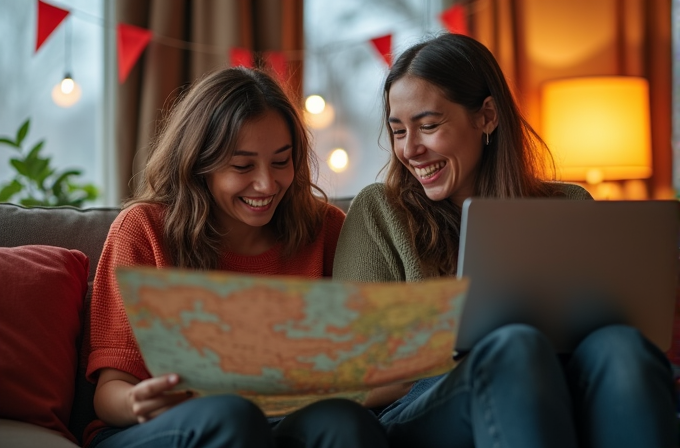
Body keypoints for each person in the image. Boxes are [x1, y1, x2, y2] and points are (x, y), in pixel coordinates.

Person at [333, 33, 676, 448]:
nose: (410, 149)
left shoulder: (570, 203)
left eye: (427, 126)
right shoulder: (379, 210)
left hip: (561, 382)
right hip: (429, 405)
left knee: (622, 347)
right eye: (398, 130)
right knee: (515, 348)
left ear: (487, 116)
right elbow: (354, 374)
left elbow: (607, 330)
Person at [84, 67, 388, 448]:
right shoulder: (143, 229)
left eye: (281, 161)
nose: (266, 184)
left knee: (344, 422)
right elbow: (110, 392)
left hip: (281, 420)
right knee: (232, 416)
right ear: (199, 164)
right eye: (242, 166)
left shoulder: (324, 229)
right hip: (151, 430)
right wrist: (137, 402)